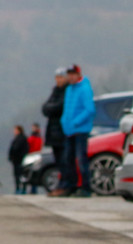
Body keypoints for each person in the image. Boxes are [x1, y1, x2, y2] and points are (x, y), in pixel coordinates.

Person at [51, 64, 95, 198]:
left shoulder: (85, 88)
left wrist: (76, 122)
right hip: (69, 130)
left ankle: (86, 187)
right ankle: (72, 185)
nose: (70, 77)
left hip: (80, 130)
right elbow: (67, 109)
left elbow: (90, 109)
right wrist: (65, 122)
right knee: (68, 159)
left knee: (81, 159)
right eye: (68, 74)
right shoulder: (70, 89)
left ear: (78, 75)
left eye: (73, 74)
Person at [42, 67, 67, 196]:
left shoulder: (67, 91)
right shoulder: (55, 91)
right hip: (53, 133)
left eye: (61, 77)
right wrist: (51, 108)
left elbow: (58, 107)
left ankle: (64, 186)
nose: (58, 80)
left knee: (64, 161)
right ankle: (60, 185)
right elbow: (45, 108)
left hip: (63, 131)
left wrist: (51, 108)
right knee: (58, 162)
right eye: (57, 77)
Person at [8, 125, 29, 194]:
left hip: (19, 160)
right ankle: (21, 189)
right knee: (21, 175)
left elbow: (15, 148)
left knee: (19, 175)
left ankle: (20, 189)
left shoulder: (20, 138)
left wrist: (12, 155)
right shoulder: (20, 138)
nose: (14, 132)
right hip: (18, 159)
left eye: (15, 130)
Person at [25, 122, 42, 194]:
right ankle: (32, 189)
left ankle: (33, 189)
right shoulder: (38, 137)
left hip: (33, 156)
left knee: (32, 173)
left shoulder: (35, 137)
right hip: (34, 155)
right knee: (32, 173)